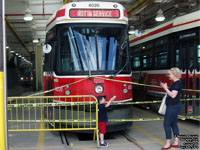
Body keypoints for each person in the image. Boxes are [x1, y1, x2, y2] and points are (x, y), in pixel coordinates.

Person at [160, 67, 182, 150]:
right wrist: (165, 87)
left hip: (173, 106)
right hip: (174, 106)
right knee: (174, 124)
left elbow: (173, 95)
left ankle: (168, 143)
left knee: (166, 124)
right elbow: (172, 92)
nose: (168, 75)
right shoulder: (176, 83)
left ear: (174, 74)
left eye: (169, 74)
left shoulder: (177, 84)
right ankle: (176, 142)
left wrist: (165, 88)